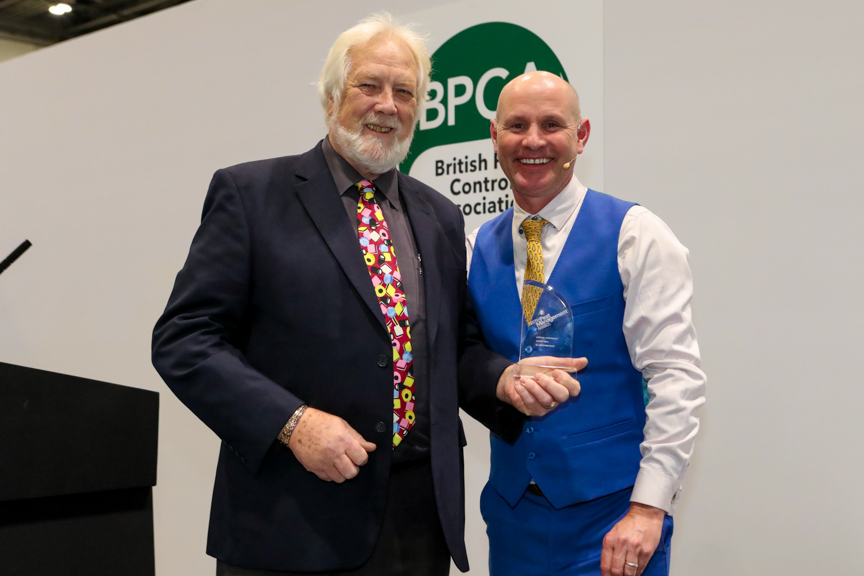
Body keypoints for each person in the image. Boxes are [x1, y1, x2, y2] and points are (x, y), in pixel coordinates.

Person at [151, 14, 580, 576]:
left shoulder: (439, 216)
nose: (388, 105)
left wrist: (501, 378)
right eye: (369, 86)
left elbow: (453, 349)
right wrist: (293, 422)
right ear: (333, 98)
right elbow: (185, 340)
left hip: (417, 525)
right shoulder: (252, 196)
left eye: (405, 92)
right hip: (291, 521)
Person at [467, 71, 707, 576]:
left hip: (615, 525)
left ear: (581, 136)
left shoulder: (637, 234)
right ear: (494, 137)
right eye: (517, 125)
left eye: (552, 124)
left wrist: (649, 508)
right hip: (513, 525)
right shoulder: (471, 248)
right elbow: (463, 361)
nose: (533, 140)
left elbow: (676, 377)